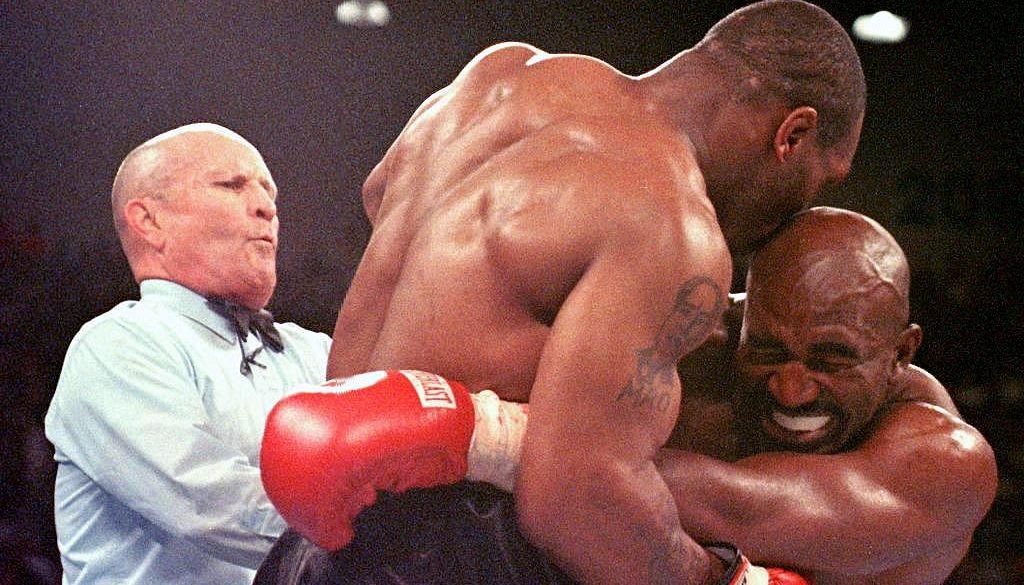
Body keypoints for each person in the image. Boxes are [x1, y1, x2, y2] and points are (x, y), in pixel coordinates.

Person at [261, 2, 865, 584]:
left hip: (313, 544)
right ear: (793, 135)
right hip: (464, 554)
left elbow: (379, 191)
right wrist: (727, 578)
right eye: (819, 183)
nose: (795, 216)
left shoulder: (498, 75)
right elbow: (576, 504)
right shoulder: (673, 225)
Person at [44, 123, 332, 584]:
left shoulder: (314, 351)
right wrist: (372, 536)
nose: (266, 207)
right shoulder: (117, 346)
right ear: (149, 221)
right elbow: (210, 502)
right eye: (232, 184)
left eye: (269, 192)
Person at [659, 206, 998, 584]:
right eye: (768, 352)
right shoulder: (686, 344)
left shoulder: (947, 462)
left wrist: (613, 461)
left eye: (830, 361)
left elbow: (741, 514)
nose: (791, 392)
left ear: (901, 353)